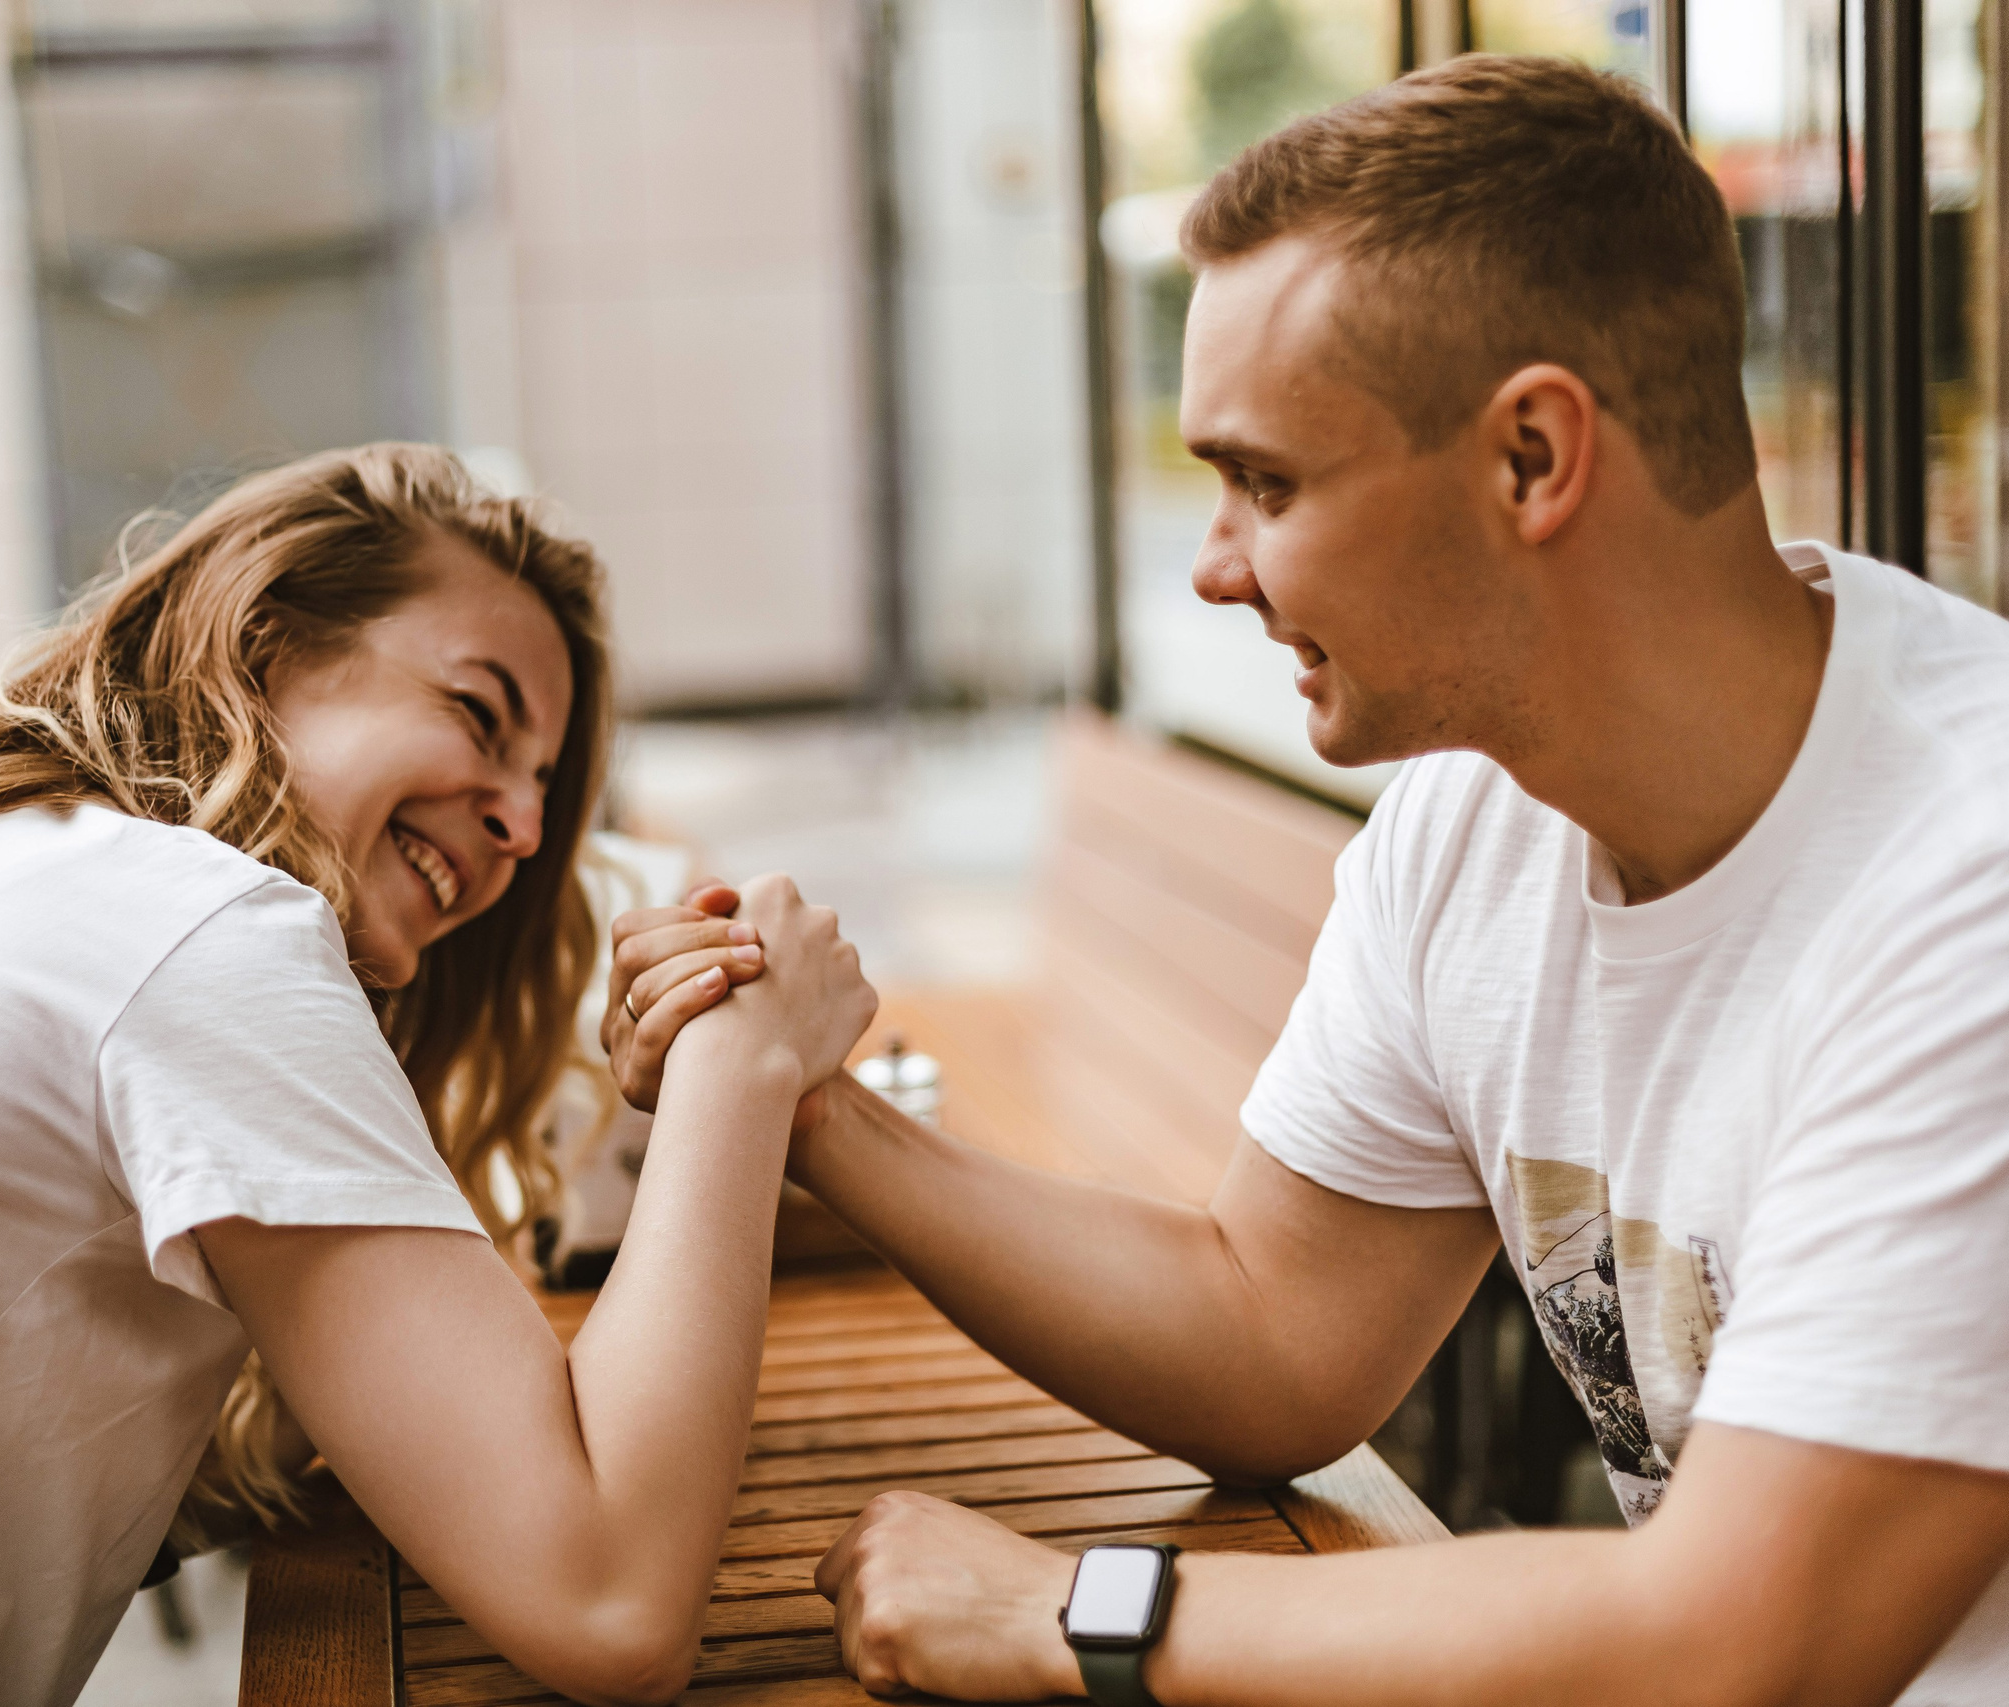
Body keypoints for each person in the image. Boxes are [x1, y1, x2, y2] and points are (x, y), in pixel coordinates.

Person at [611, 57, 2009, 1706]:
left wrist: (1078, 1616)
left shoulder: (1963, 887)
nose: (1212, 567)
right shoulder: (1473, 825)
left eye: (1266, 483)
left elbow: (1741, 1642)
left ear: (1533, 459)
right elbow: (1272, 1338)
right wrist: (813, 1108)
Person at [0, 444, 875, 1707]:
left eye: (544, 794)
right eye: (479, 712)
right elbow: (610, 1601)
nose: (516, 826)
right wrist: (740, 1062)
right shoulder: (189, 930)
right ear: (267, 644)